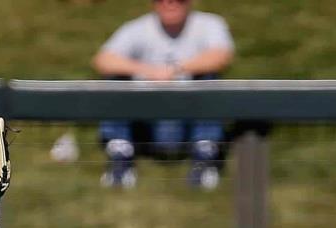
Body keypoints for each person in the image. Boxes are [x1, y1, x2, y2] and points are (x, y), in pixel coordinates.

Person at [93, 0, 235, 189]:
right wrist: (147, 71)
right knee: (114, 79)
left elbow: (221, 56)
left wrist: (175, 70)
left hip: (189, 117)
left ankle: (204, 157)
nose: (170, 4)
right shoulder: (136, 28)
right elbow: (103, 60)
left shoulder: (209, 24)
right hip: (145, 119)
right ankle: (120, 157)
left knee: (209, 77)